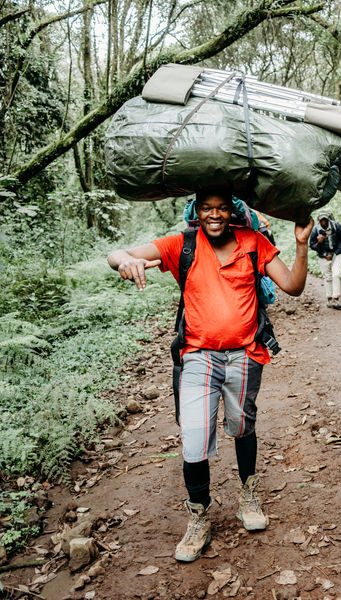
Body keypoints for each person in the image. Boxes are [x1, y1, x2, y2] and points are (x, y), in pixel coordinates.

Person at [107, 190, 313, 562]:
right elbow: (119, 254)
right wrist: (125, 261)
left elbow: (293, 286)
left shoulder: (253, 243)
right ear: (196, 211)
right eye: (207, 208)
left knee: (241, 426)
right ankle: (199, 514)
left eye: (221, 208)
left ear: (232, 212)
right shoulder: (181, 245)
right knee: (194, 438)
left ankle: (248, 495)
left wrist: (301, 245)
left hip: (246, 355)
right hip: (198, 356)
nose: (214, 215)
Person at [309, 210, 341, 309]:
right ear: (319, 220)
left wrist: (335, 253)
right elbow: (312, 245)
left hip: (336, 254)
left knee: (336, 274)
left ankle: (336, 298)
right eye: (322, 220)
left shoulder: (336, 226)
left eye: (325, 219)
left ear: (328, 219)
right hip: (323, 256)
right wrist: (319, 243)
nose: (324, 222)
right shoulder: (315, 230)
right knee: (327, 276)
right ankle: (329, 298)